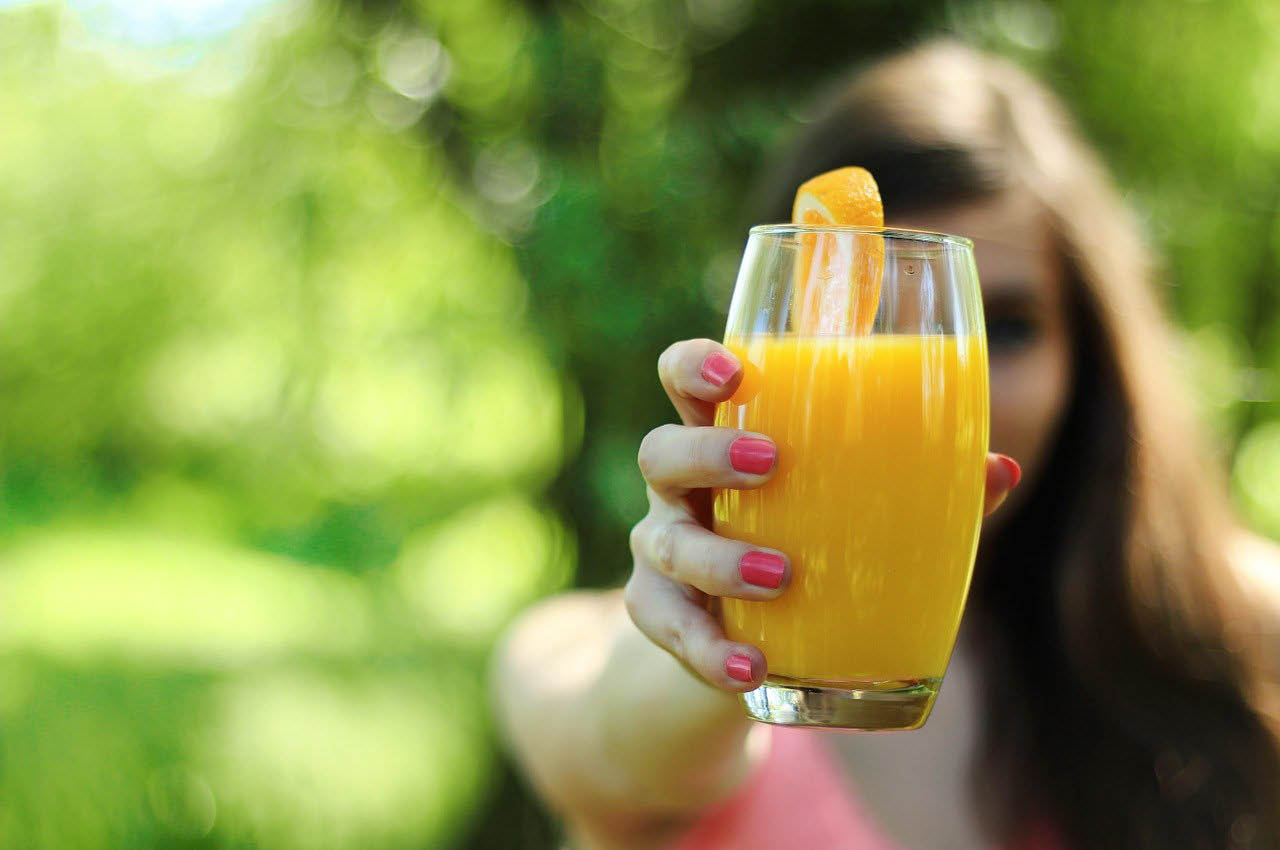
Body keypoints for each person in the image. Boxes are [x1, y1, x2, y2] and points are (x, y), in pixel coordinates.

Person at [492, 39, 1280, 850]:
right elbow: (613, 757)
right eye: (860, 318)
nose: (937, 383)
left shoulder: (1247, 634)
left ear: (1087, 358)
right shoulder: (568, 651)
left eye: (1002, 326)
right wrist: (716, 649)